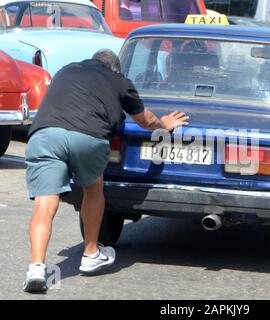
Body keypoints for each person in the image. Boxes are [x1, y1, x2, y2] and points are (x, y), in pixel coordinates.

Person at [23, 49, 189, 293]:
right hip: (88, 138)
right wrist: (166, 123)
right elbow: (146, 120)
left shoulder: (66, 70)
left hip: (45, 135)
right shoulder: (119, 81)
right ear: (115, 69)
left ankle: (36, 268)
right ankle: (91, 253)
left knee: (44, 204)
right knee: (93, 187)